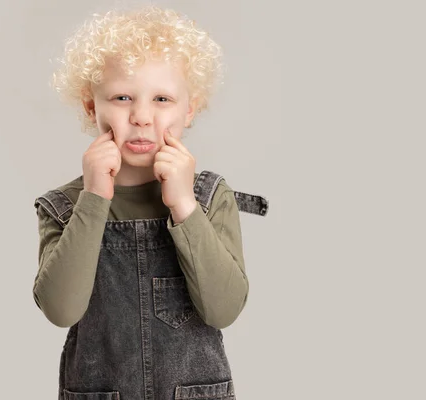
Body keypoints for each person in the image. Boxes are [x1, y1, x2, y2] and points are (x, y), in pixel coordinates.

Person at [32, 5, 268, 399]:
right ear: (93, 108)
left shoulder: (210, 200)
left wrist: (184, 205)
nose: (141, 116)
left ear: (189, 109)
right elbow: (60, 310)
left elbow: (223, 310)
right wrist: (94, 199)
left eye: (162, 99)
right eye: (122, 97)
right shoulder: (66, 206)